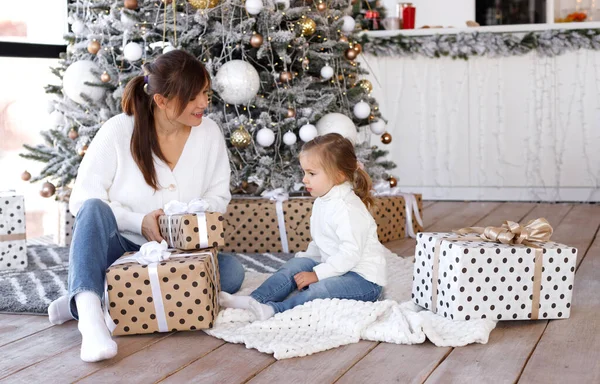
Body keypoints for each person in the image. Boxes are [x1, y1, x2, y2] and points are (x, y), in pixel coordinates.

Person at [47, 50, 245, 363]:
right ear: (162, 100)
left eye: (205, 93)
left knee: (231, 272)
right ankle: (89, 316)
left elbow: (218, 196)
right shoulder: (118, 130)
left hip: (178, 252)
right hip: (122, 249)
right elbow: (82, 199)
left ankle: (94, 294)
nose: (204, 104)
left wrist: (179, 217)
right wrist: (139, 222)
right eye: (192, 97)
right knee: (95, 209)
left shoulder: (210, 133)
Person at [219, 133, 386, 320]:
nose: (304, 179)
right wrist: (303, 264)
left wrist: (316, 274)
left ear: (338, 176)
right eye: (304, 172)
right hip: (335, 265)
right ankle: (255, 299)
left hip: (362, 280)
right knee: (295, 265)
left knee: (320, 289)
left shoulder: (348, 209)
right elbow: (320, 242)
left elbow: (350, 254)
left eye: (312, 174)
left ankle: (277, 309)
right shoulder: (323, 200)